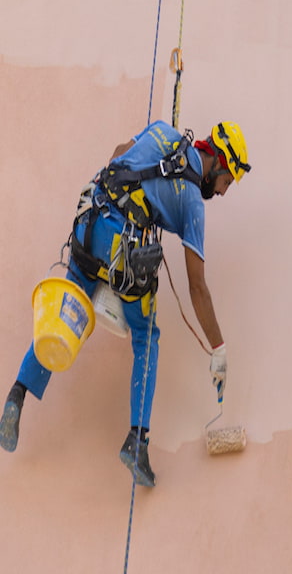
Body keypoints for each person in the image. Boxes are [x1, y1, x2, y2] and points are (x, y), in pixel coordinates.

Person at [0, 121, 250, 486]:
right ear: (220, 163)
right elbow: (198, 288)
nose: (224, 191)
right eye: (228, 181)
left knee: (68, 312)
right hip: (124, 250)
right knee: (146, 338)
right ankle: (137, 442)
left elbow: (118, 154)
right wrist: (218, 347)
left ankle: (16, 396)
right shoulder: (193, 203)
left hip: (91, 225)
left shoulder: (163, 131)